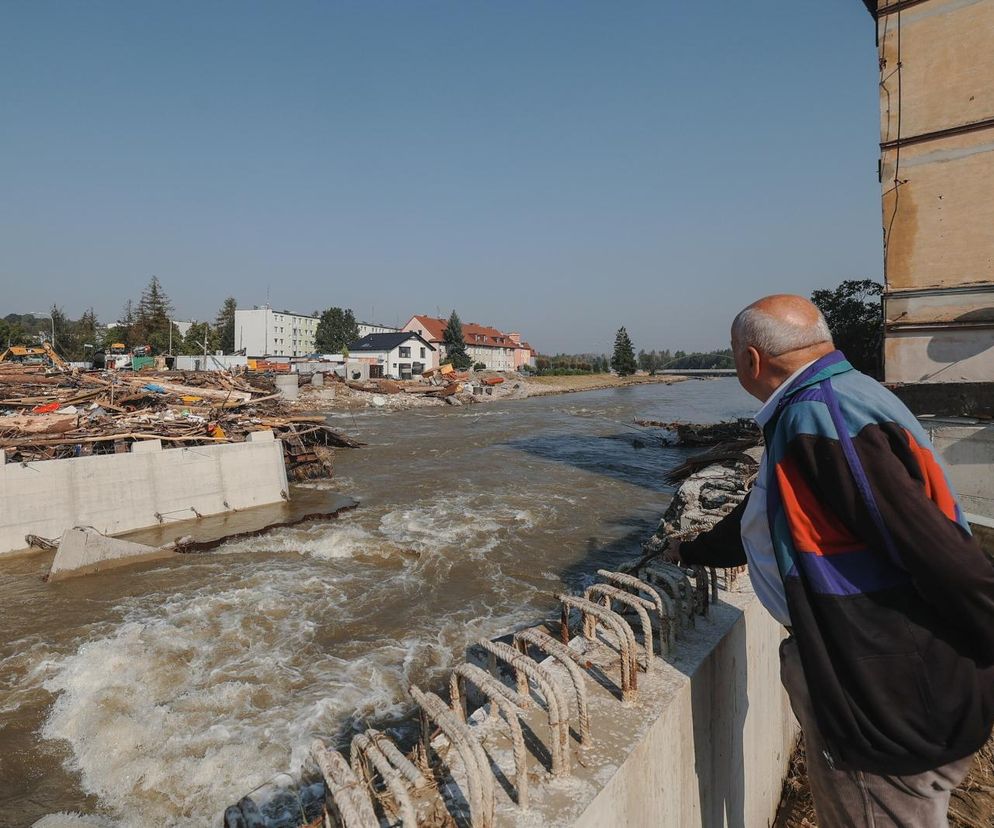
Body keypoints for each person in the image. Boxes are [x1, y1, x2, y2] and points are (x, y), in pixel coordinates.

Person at [668, 294, 994, 827]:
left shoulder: (819, 419)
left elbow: (941, 554)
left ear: (750, 360)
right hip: (892, 675)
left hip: (884, 690)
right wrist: (693, 551)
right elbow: (764, 515)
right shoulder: (841, 395)